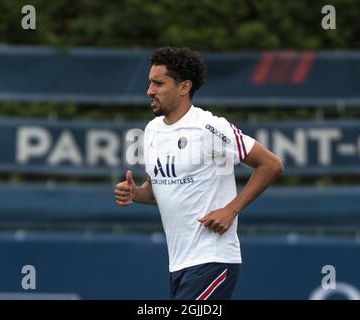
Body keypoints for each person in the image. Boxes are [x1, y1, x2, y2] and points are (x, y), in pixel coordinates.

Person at [115, 47, 283, 300]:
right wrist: (135, 193)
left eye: (158, 83)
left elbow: (271, 165)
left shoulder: (210, 127)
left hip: (213, 258)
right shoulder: (151, 131)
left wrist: (230, 210)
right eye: (150, 83)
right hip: (179, 264)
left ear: (184, 87)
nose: (150, 91)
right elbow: (158, 190)